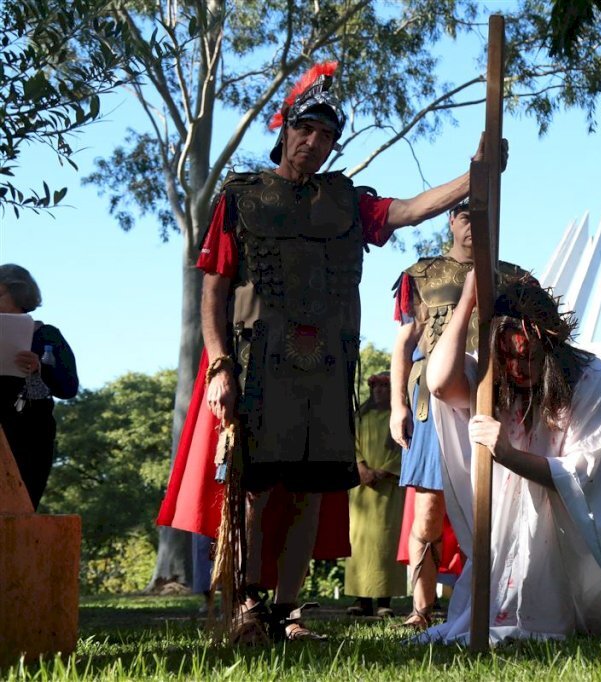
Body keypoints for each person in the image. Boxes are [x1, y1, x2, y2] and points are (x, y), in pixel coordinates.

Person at [156, 61, 505, 642]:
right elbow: (212, 288)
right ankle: (246, 605)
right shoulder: (240, 200)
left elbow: (410, 209)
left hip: (326, 370)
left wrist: (478, 173)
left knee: (311, 492)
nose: (314, 144)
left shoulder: (345, 201)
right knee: (254, 486)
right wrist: (218, 364)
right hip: (256, 365)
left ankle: (288, 613)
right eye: (305, 131)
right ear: (285, 129)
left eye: (326, 137)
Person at [420, 272, 601, 643]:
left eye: (529, 357)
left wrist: (507, 454)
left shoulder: (590, 378)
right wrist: (469, 301)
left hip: (566, 531)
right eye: (508, 357)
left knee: (559, 617)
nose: (518, 369)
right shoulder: (492, 378)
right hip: (504, 529)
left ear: (551, 346)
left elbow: (580, 473)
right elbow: (440, 382)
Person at [389, 201, 528, 628]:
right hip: (433, 404)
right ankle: (422, 609)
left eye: (482, 216)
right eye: (466, 216)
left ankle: (487, 602)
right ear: (451, 220)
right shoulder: (424, 274)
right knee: (429, 509)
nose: (473, 226)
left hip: (495, 402)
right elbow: (403, 343)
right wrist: (397, 405)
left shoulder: (514, 277)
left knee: (498, 506)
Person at [0, 264, 79, 510]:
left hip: (30, 436)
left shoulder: (47, 336)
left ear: (18, 293)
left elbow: (68, 387)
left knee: (21, 509)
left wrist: (40, 368)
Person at [345, 372, 406, 617]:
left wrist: (384, 471)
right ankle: (361, 600)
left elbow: (405, 445)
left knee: (387, 544)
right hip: (361, 491)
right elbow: (351, 443)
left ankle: (384, 601)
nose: (379, 391)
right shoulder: (360, 417)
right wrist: (361, 468)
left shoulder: (400, 418)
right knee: (359, 544)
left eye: (385, 386)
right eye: (376, 387)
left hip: (389, 491)